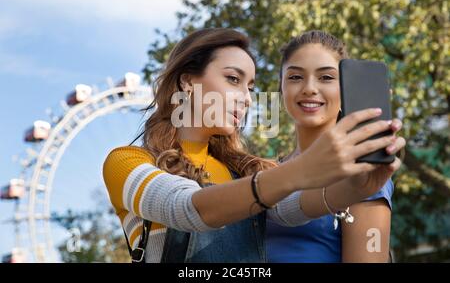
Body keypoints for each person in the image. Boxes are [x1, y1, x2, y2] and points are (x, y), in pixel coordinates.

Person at [102, 28, 405, 263]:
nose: (246, 98)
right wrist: (300, 171)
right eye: (233, 79)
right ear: (187, 83)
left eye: (250, 87)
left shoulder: (246, 172)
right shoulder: (126, 163)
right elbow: (186, 208)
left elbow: (293, 208)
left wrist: (358, 188)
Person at [266, 30, 400, 263]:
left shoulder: (363, 172)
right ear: (281, 88)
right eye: (295, 77)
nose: (309, 88)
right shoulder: (267, 173)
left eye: (326, 77)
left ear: (345, 90)